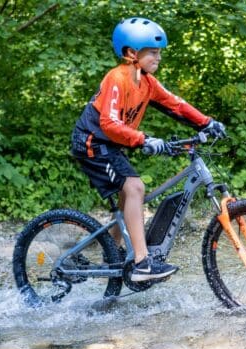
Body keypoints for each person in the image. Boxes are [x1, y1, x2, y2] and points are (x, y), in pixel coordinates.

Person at [71, 17, 226, 282]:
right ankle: (142, 263)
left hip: (110, 145)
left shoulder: (148, 83)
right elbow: (108, 123)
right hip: (92, 143)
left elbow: (176, 105)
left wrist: (207, 122)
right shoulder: (117, 78)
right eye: (153, 52)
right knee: (135, 188)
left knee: (128, 195)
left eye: (159, 52)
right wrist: (143, 139)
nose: (159, 57)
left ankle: (113, 252)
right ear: (132, 53)